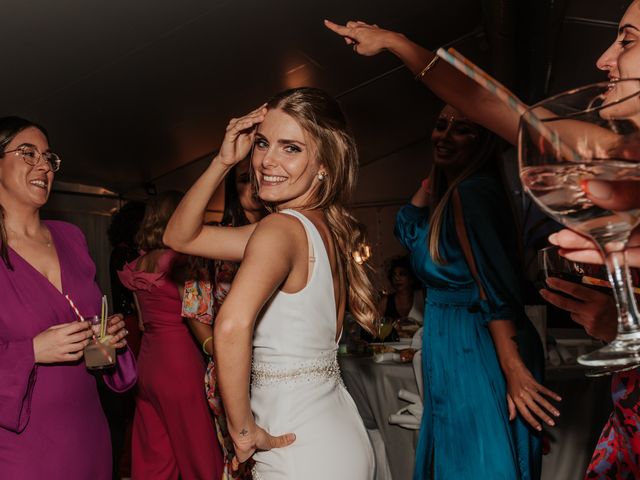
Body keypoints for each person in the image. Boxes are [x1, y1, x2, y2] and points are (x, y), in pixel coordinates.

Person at [325, 4, 640, 477]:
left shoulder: (479, 196)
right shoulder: (608, 150)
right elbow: (499, 109)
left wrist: (628, 331)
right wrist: (398, 43)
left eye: (628, 40)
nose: (603, 58)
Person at [164, 87, 376, 479]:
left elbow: (229, 325)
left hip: (296, 447)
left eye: (291, 148)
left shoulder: (279, 230)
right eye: (262, 143)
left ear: (325, 162)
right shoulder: (314, 227)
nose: (266, 161)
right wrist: (224, 161)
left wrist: (241, 431)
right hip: (333, 434)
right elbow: (180, 237)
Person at [0, 116, 134, 479]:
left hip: (88, 430)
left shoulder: (71, 237)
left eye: (48, 157)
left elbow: (91, 319)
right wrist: (32, 351)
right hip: (22, 442)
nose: (43, 165)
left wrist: (107, 336)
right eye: (27, 153)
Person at [118, 191, 224, 480]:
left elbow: (141, 323)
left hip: (149, 365)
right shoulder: (183, 261)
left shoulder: (137, 266)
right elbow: (197, 313)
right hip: (180, 365)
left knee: (155, 459)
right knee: (200, 455)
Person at [180, 158, 266, 480]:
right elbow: (194, 309)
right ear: (233, 188)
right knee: (242, 461)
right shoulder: (213, 241)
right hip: (232, 371)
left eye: (259, 177)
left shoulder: (288, 235)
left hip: (280, 366)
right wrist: (215, 347)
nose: (254, 185)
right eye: (245, 179)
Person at [379, 255, 424, 338]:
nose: (397, 278)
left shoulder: (422, 297)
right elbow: (377, 328)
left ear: (411, 278)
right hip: (392, 348)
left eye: (402, 274)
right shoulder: (385, 301)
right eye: (394, 275)